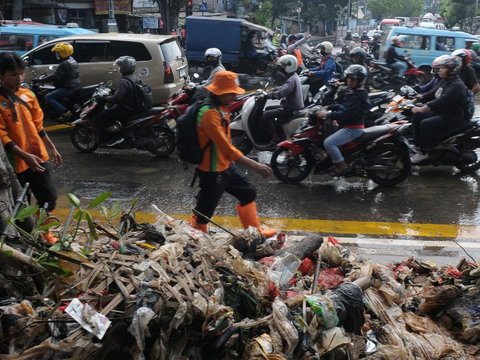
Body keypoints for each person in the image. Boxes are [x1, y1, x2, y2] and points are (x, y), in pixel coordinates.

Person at [190, 70, 275, 238]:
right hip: (213, 170)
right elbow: (226, 148)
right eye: (230, 93)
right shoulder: (208, 114)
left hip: (226, 165)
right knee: (204, 213)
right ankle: (197, 239)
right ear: (219, 93)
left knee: (248, 192)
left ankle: (254, 234)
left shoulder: (220, 108)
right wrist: (255, 165)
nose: (233, 96)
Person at [0, 52, 62, 243]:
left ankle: (44, 233)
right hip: (15, 162)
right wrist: (25, 156)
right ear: (2, 75)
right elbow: (2, 135)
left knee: (48, 197)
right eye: (13, 74)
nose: (19, 78)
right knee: (22, 202)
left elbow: (38, 124)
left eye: (21, 73)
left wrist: (51, 148)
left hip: (38, 156)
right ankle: (27, 236)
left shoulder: (28, 95)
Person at [410, 55, 468, 164]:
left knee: (425, 124)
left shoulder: (456, 85)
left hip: (453, 117)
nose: (439, 70)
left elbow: (441, 101)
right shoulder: (445, 81)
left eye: (443, 68)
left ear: (451, 71)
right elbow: (432, 93)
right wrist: (417, 97)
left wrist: (422, 109)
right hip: (443, 112)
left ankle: (425, 152)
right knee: (416, 116)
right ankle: (418, 145)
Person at [317, 65, 370, 176]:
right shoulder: (355, 93)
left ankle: (342, 165)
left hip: (352, 128)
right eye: (349, 78)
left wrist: (328, 114)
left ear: (360, 81)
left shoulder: (359, 96)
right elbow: (343, 106)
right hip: (348, 126)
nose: (349, 81)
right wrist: (329, 107)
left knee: (329, 143)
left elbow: (345, 114)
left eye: (353, 79)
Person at [98, 56, 140, 147]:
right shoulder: (133, 77)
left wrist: (104, 98)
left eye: (120, 66)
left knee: (103, 115)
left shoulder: (124, 81)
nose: (119, 68)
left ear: (125, 68)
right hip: (133, 105)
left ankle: (116, 137)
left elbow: (117, 99)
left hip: (126, 107)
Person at [262, 55, 304, 146]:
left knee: (266, 115)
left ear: (290, 66)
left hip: (291, 109)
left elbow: (281, 93)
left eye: (283, 66)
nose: (282, 68)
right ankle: (276, 131)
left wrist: (268, 96)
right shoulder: (293, 76)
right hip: (289, 106)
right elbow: (282, 87)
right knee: (269, 108)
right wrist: (272, 90)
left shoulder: (291, 80)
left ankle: (275, 138)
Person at [34, 42, 80, 120]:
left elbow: (56, 76)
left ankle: (65, 112)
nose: (57, 54)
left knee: (48, 96)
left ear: (64, 53)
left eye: (58, 52)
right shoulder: (72, 60)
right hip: (75, 85)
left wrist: (41, 80)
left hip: (68, 88)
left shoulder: (64, 64)